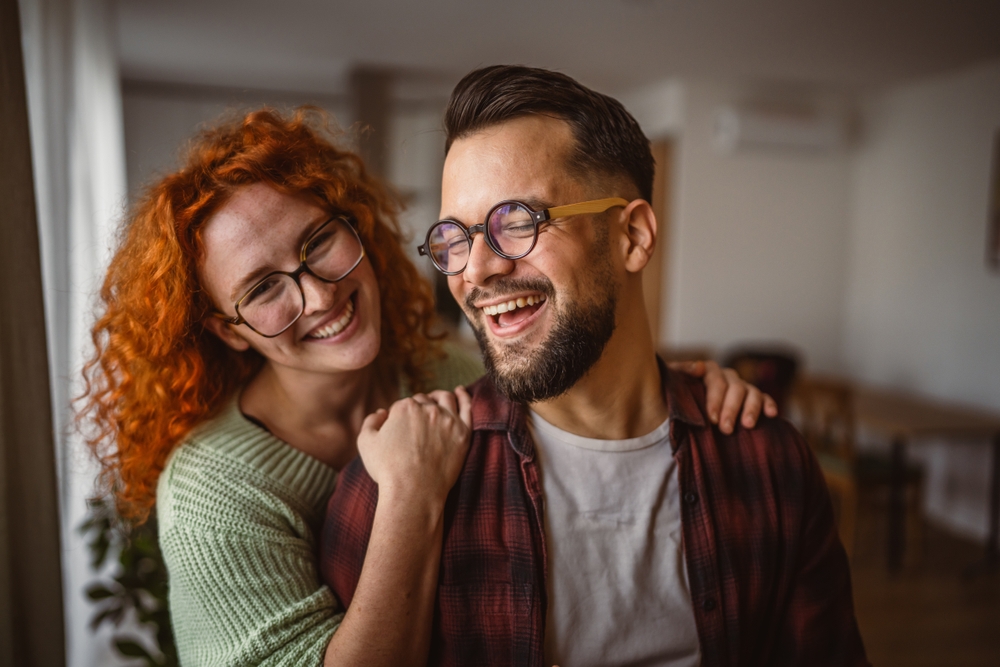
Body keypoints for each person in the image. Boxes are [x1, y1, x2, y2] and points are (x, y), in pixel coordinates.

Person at [78, 107, 772, 667]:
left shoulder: (450, 369)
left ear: (359, 229)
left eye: (319, 242)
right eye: (263, 289)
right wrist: (409, 493)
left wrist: (686, 387)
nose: (319, 295)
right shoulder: (212, 490)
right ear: (229, 330)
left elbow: (577, 371)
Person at [321, 66, 870, 667]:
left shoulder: (769, 465)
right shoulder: (394, 490)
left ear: (632, 235)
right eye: (455, 238)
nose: (474, 272)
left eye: (517, 222)